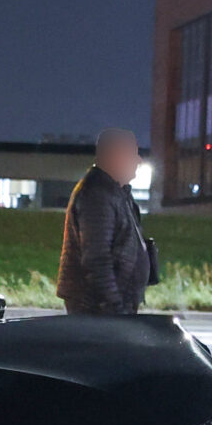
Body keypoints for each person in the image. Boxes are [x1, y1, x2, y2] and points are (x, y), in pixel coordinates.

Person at [56, 127, 151, 315]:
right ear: (115, 156)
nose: (138, 160)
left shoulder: (114, 192)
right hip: (97, 306)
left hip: (111, 302)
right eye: (133, 154)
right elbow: (96, 257)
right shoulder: (97, 195)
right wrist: (112, 305)